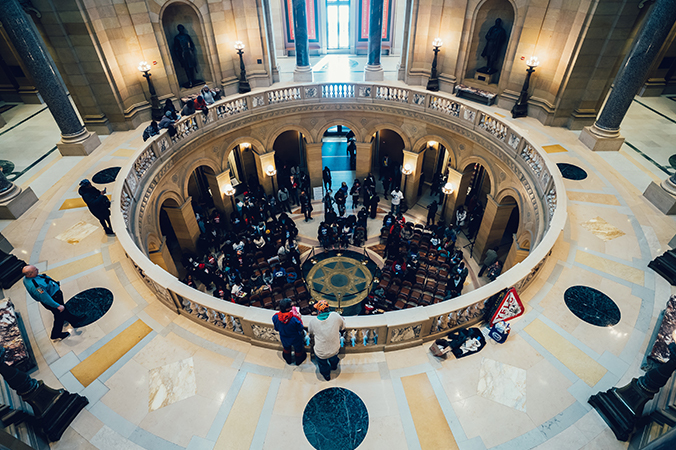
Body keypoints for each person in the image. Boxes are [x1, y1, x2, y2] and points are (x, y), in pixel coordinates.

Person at [22, 265, 79, 340]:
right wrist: (57, 306)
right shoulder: (36, 287)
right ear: (30, 274)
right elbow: (45, 298)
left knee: (63, 311)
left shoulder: (26, 278)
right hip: (54, 299)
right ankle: (56, 334)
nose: (38, 269)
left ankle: (73, 320)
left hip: (54, 295)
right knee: (59, 316)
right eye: (35, 270)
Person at [308, 300, 345, 381]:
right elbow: (342, 327)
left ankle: (326, 375)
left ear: (319, 311)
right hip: (335, 349)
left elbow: (310, 332)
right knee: (333, 358)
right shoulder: (335, 316)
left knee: (322, 364)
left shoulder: (313, 322)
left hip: (321, 352)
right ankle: (334, 366)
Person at [273, 298, 307, 365]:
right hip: (295, 338)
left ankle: (288, 360)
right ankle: (298, 361)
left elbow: (276, 328)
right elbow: (300, 328)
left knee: (286, 348)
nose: (292, 307)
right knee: (298, 349)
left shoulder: (275, 317)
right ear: (287, 309)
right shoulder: (294, 319)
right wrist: (299, 319)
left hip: (284, 337)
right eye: (291, 306)